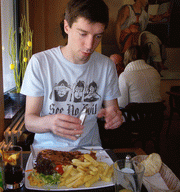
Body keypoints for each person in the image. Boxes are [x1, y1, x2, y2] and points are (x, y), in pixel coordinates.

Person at [20, 0, 123, 148]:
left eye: (98, 36)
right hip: (48, 151)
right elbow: (29, 121)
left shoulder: (106, 66)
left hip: (90, 151)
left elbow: (113, 110)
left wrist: (115, 117)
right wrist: (49, 123)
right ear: (67, 26)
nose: (90, 45)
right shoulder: (40, 62)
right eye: (83, 34)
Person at [115, 0, 170, 73]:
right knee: (150, 37)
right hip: (127, 35)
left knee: (155, 39)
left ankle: (157, 64)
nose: (147, 1)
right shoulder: (127, 9)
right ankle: (158, 62)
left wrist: (163, 15)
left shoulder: (143, 12)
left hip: (138, 35)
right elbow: (118, 25)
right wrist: (119, 43)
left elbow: (153, 18)